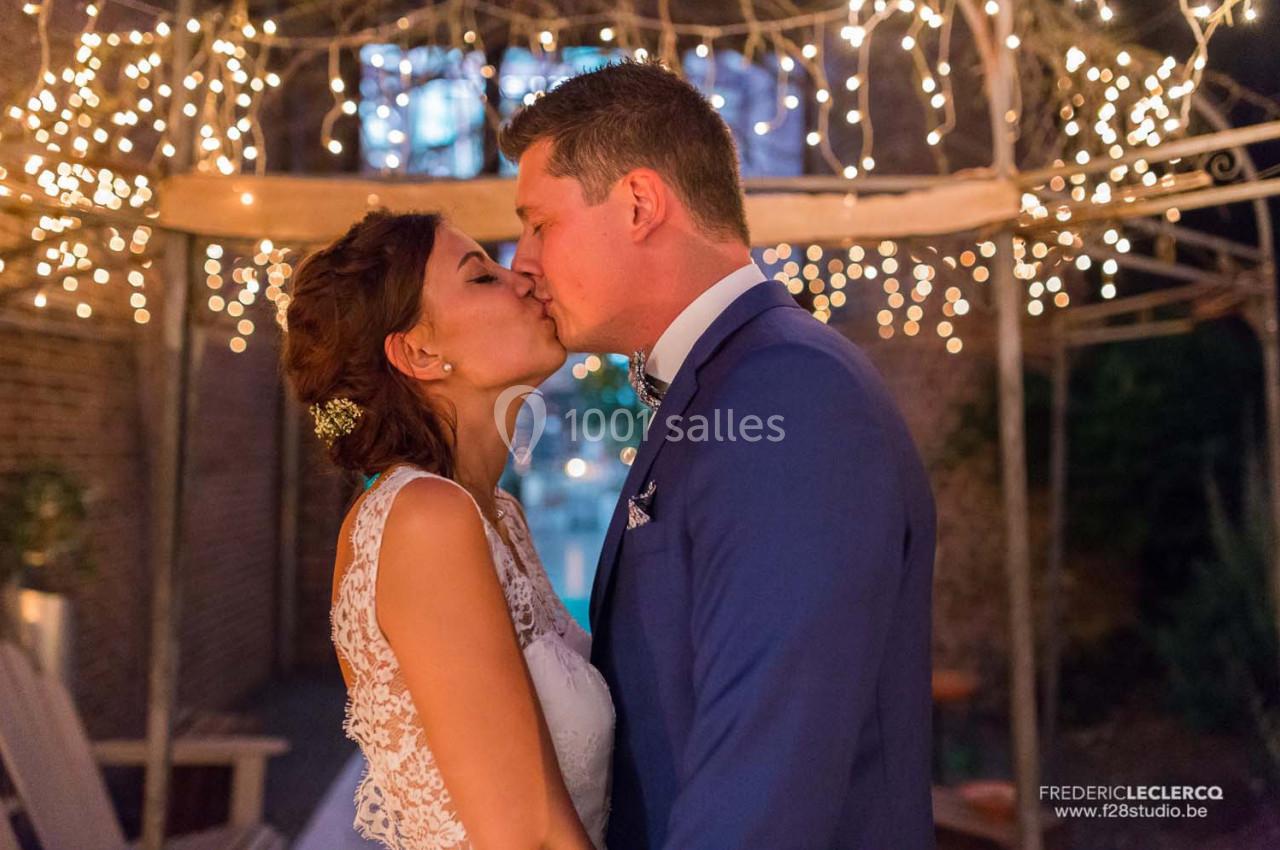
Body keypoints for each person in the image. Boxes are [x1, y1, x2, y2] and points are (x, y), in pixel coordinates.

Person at [503, 59, 938, 850]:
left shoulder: (791, 394)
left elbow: (764, 779)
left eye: (540, 224)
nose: (523, 262)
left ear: (638, 203)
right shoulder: (728, 381)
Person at [281, 210, 613, 850]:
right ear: (419, 352)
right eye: (481, 277)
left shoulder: (498, 517)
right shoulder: (423, 519)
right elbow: (528, 835)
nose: (521, 277)